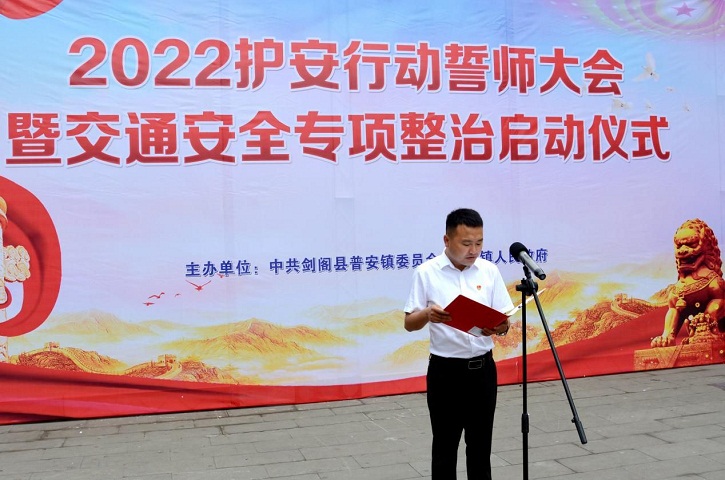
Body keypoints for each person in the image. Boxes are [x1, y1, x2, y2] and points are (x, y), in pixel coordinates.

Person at [404, 208, 513, 480]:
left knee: (480, 447)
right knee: (445, 446)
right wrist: (427, 314)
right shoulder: (426, 273)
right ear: (447, 240)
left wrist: (499, 327)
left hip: (483, 370)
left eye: (479, 243)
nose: (473, 250)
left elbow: (505, 320)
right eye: (466, 243)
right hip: (446, 372)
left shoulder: (489, 271)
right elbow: (409, 323)